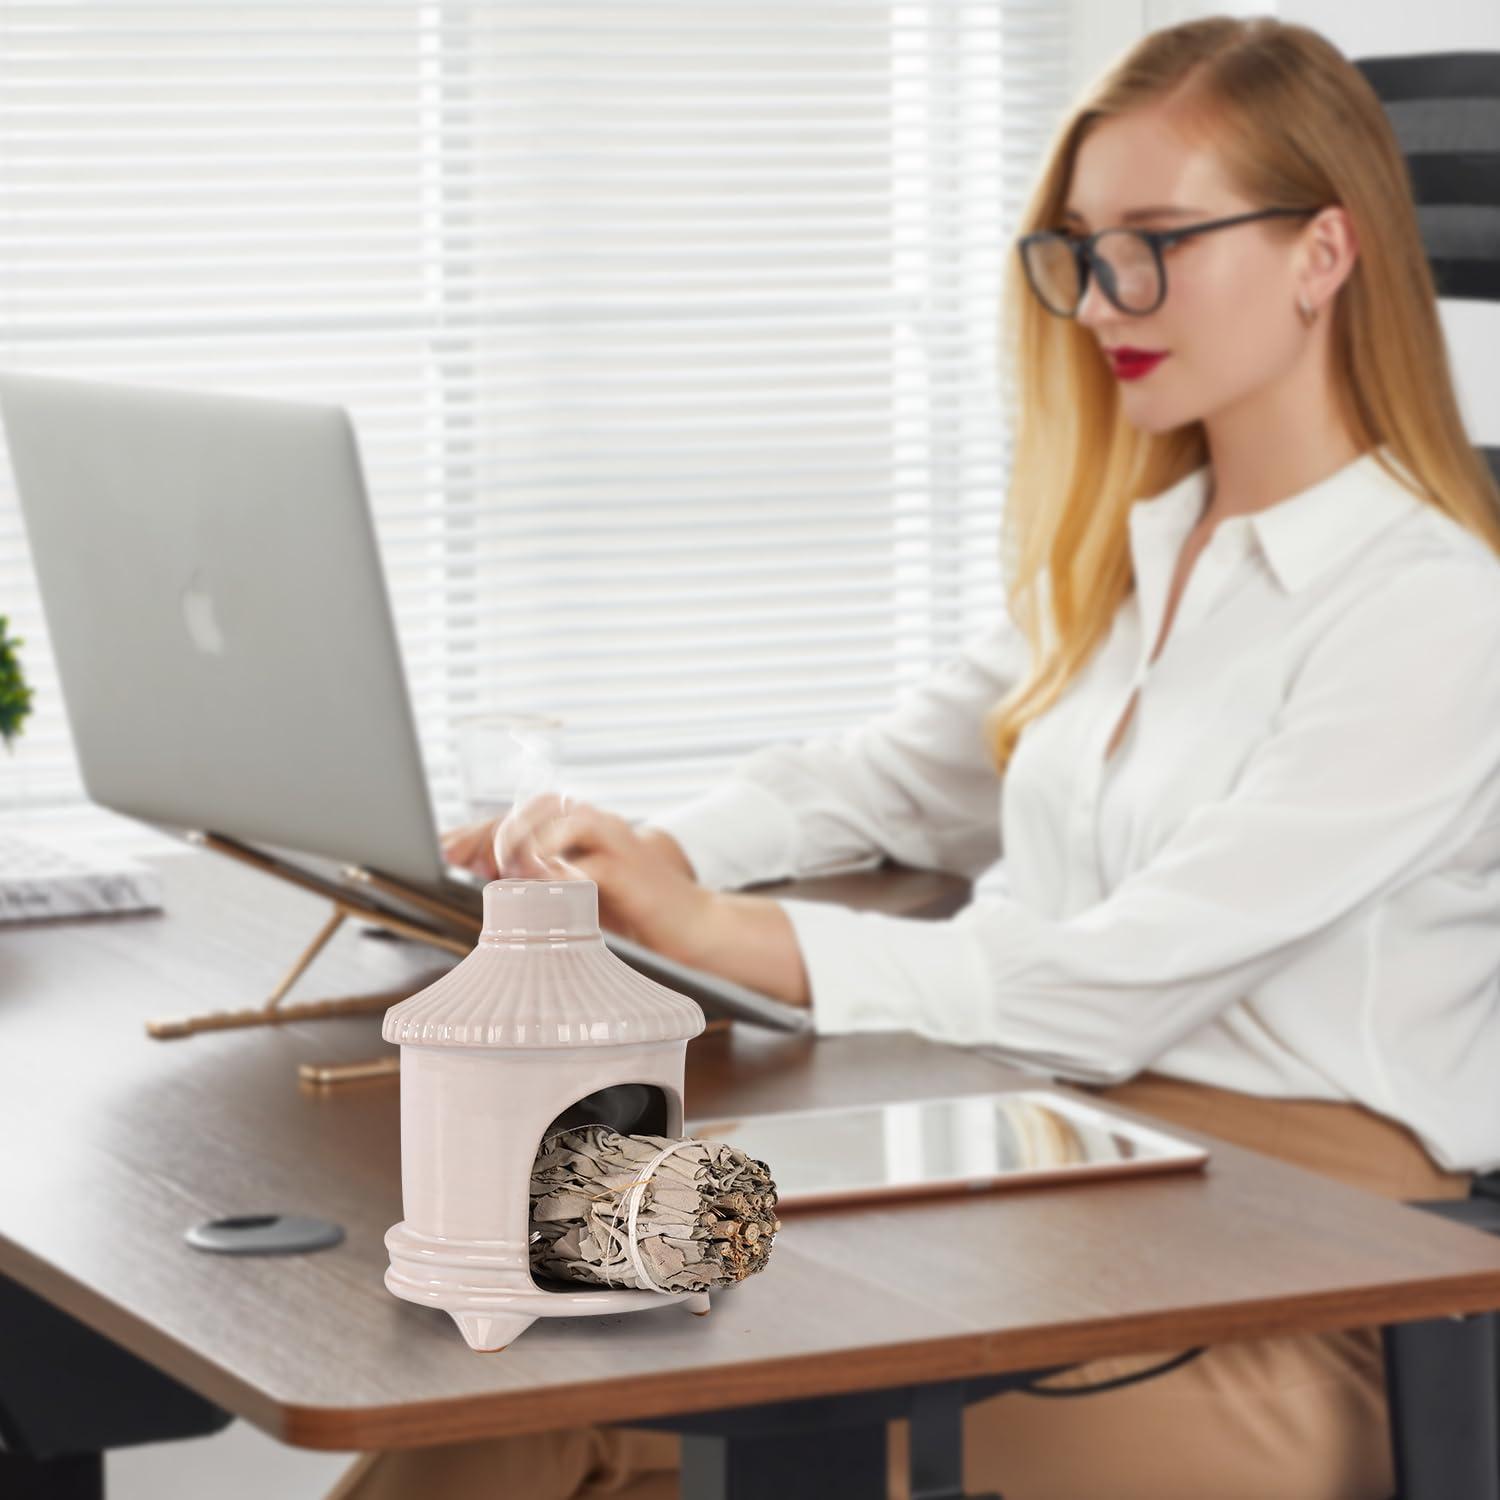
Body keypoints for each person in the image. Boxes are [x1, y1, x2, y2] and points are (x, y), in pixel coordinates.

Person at [331, 15, 1500, 1500]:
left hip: (1298, 1270)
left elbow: (1114, 977)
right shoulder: (1134, 555)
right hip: (1054, 1151)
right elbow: (879, 780)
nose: (1096, 298)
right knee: (531, 1278)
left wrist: (732, 936)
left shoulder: (1435, 609)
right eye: (1075, 247)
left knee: (574, 1367)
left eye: (1151, 241)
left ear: (1322, 254)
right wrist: (655, 855)